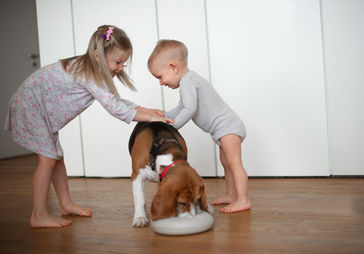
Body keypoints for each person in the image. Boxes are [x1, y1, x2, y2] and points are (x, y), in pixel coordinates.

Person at [4, 25, 172, 228]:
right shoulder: (90, 75)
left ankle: (65, 204)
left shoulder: (89, 67)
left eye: (123, 63)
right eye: (118, 62)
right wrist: (150, 117)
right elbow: (117, 109)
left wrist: (149, 112)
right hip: (29, 104)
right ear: (98, 55)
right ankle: (38, 214)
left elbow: (116, 102)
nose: (120, 68)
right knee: (48, 159)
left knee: (56, 157)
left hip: (38, 106)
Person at [147, 39, 251, 213]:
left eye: (160, 76)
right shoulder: (189, 80)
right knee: (225, 163)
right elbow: (182, 107)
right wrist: (165, 115)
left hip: (228, 127)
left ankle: (243, 199)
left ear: (173, 68)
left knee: (234, 163)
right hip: (223, 129)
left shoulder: (188, 81)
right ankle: (232, 195)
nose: (161, 82)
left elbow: (189, 109)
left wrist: (172, 128)